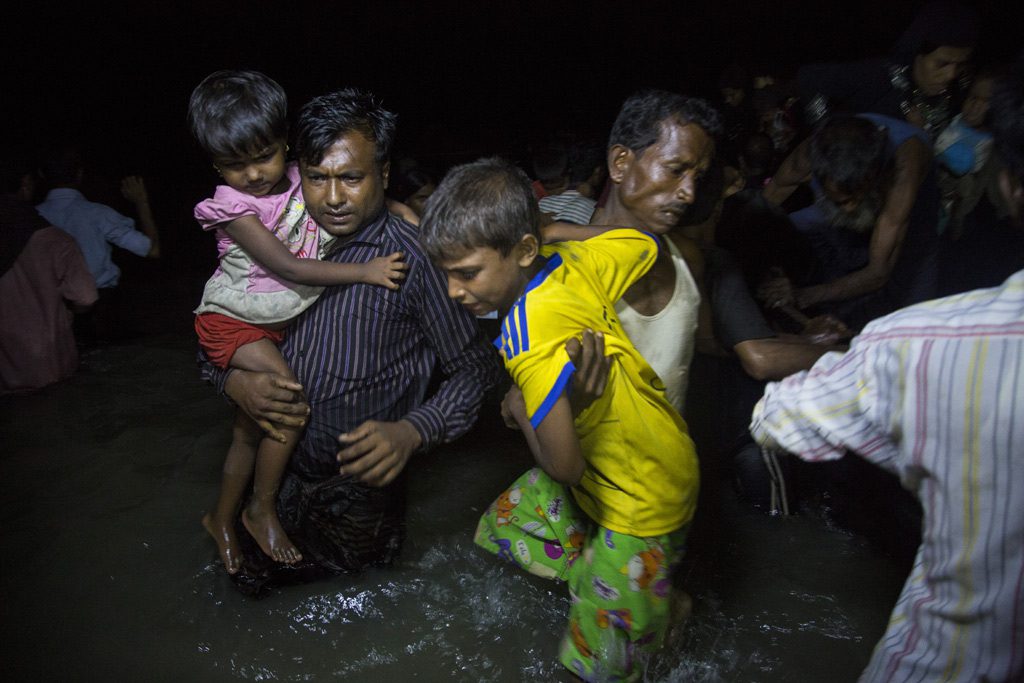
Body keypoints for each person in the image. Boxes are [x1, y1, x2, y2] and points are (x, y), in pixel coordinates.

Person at [749, 61, 1024, 683]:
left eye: (849, 197)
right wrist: (767, 282)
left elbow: (876, 273)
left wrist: (826, 324)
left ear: (1009, 187)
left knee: (897, 301)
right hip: (838, 244)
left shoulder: (909, 162)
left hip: (904, 243)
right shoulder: (804, 160)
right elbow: (763, 210)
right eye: (832, 194)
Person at [200, 88, 501, 595]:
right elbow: (222, 325)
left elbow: (476, 367)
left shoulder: (414, 260)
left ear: (382, 176)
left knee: (357, 603)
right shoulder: (281, 240)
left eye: (351, 178)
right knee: (246, 598)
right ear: (299, 172)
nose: (333, 197)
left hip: (356, 496)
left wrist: (414, 430)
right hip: (278, 479)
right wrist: (232, 382)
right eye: (317, 178)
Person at [420, 157, 699, 681]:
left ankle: (637, 605)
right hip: (662, 449)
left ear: (523, 250)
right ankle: (622, 597)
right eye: (447, 274)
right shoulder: (570, 260)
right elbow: (648, 245)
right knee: (506, 526)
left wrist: (521, 409)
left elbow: (566, 467)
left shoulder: (529, 337)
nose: (454, 291)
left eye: (468, 273)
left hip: (639, 500)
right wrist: (557, 234)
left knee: (588, 674)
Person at [187, 70, 408, 573]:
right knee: (289, 401)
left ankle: (220, 518)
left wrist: (403, 211)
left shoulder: (304, 176)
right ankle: (259, 507)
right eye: (233, 165)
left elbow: (358, 193)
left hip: (268, 321)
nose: (253, 175)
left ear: (285, 143)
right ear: (216, 165)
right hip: (233, 321)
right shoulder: (233, 208)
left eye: (263, 157)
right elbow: (287, 267)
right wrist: (366, 271)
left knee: (248, 430)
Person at [546, 90, 720, 417]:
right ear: (620, 163)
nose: (688, 192)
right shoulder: (561, 268)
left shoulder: (687, 259)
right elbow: (526, 402)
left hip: (672, 459)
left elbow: (706, 345)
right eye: (675, 169)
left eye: (697, 176)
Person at [761, 113, 940, 332]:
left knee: (912, 314)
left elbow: (878, 273)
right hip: (845, 208)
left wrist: (803, 295)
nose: (850, 208)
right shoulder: (807, 157)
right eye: (843, 201)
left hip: (911, 216)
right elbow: (765, 202)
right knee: (797, 232)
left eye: (854, 199)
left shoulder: (906, 168)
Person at [799, 0, 979, 140]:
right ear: (917, 51)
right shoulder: (880, 78)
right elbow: (811, 78)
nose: (951, 75)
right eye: (942, 63)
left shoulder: (957, 93)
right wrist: (828, 138)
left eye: (960, 65)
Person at [36, 147, 160, 346]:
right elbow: (151, 249)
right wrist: (142, 202)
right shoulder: (98, 214)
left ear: (41, 175)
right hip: (99, 308)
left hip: (45, 309)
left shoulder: (32, 217)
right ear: (79, 174)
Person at [1, 155, 97, 394]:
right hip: (45, 361)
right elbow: (86, 297)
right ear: (26, 184)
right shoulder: (54, 240)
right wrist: (69, 314)